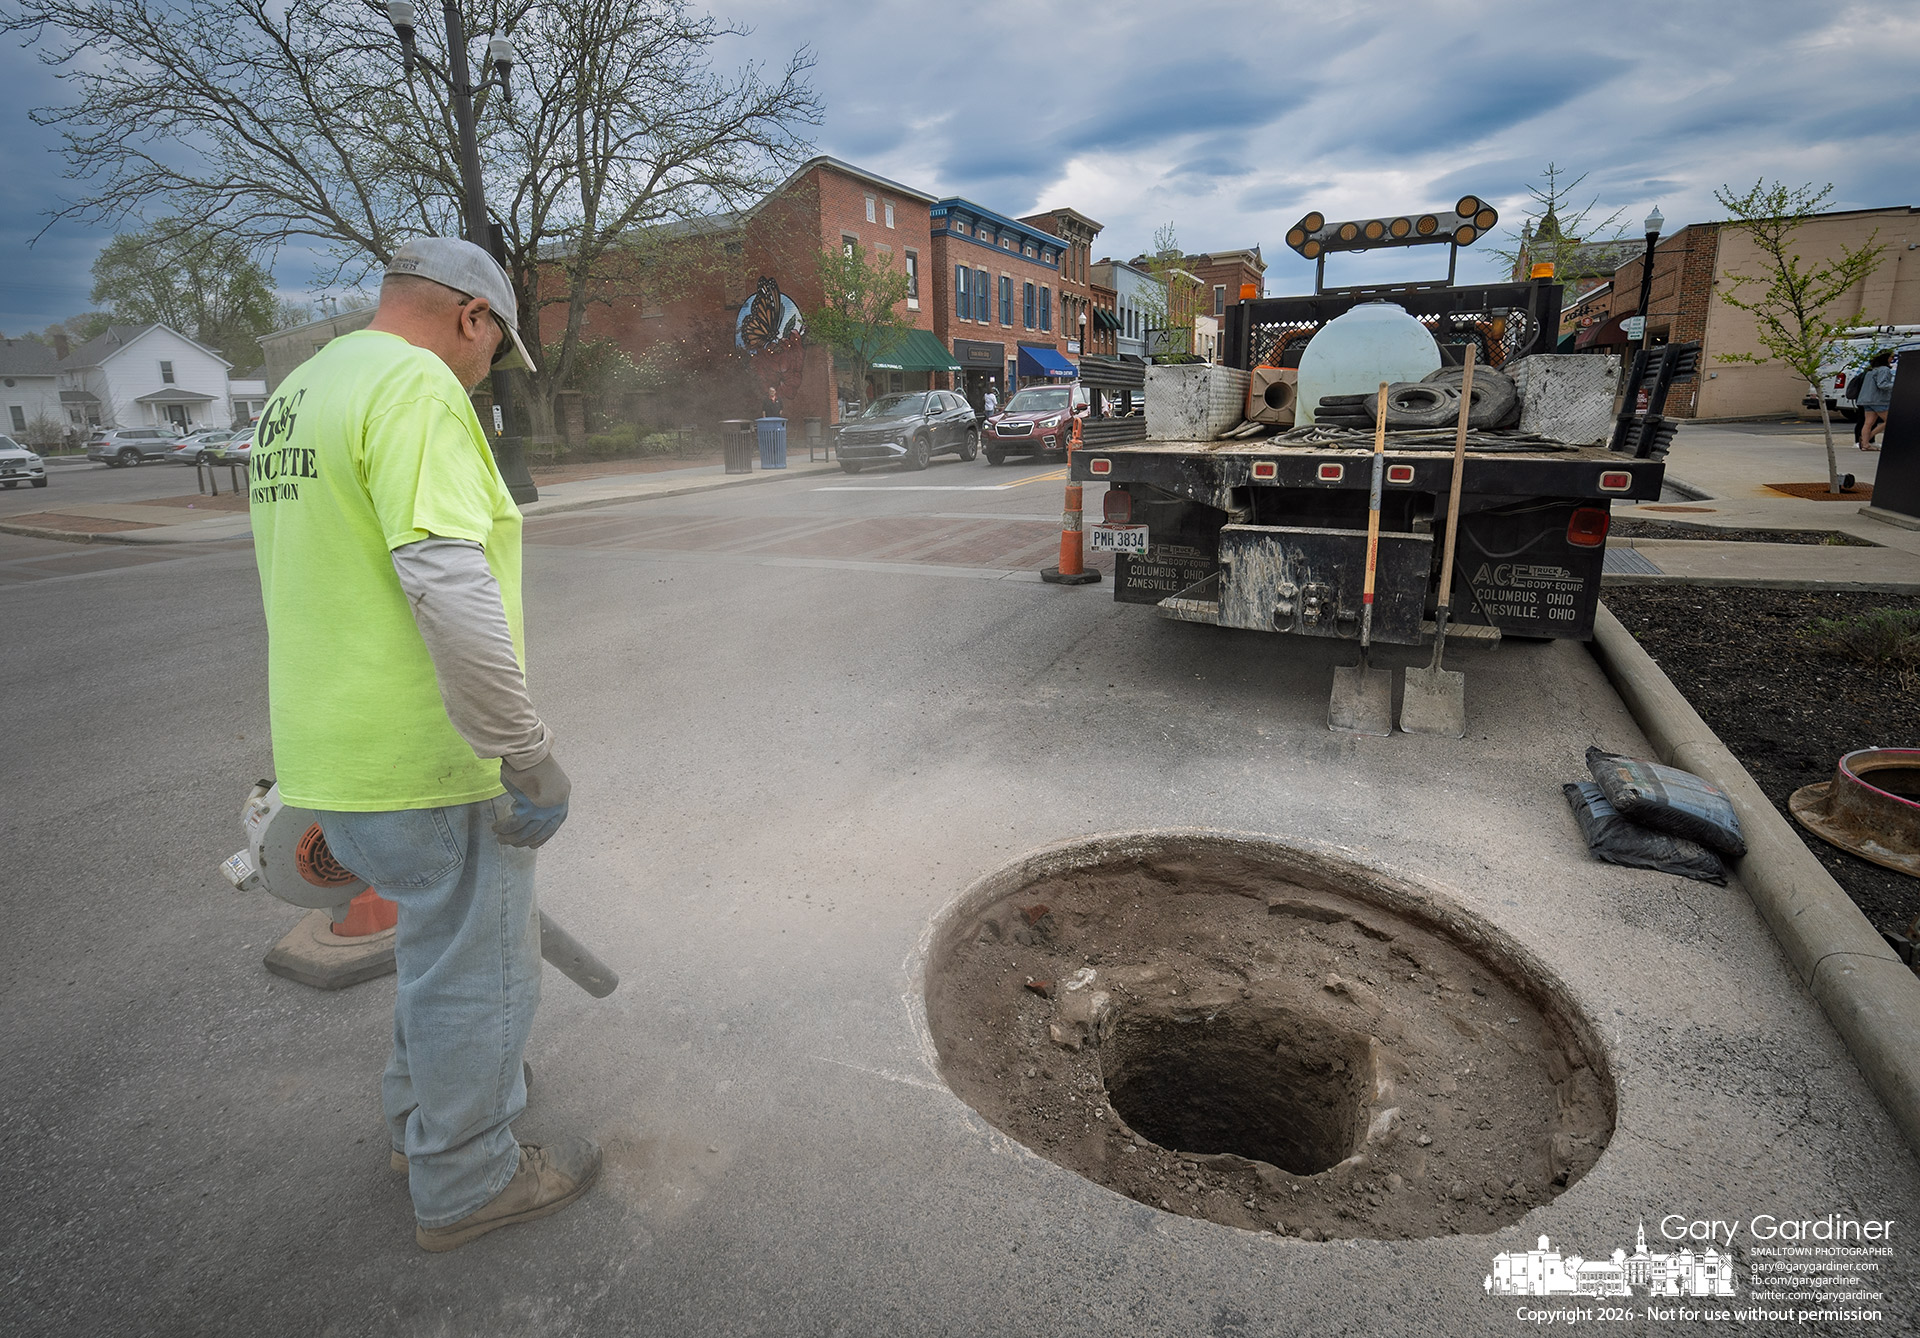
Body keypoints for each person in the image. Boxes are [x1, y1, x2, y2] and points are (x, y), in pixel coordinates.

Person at [249, 236, 599, 1253]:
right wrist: (525, 752)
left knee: (436, 955)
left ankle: (420, 1130)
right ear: (469, 315)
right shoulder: (415, 388)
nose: (488, 369)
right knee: (486, 972)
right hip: (428, 760)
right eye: (496, 346)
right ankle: (467, 1179)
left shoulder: (302, 394)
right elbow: (446, 583)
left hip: (333, 757)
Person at [1858, 350, 1895, 451]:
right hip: (1879, 399)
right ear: (1886, 358)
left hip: (1866, 399)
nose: (1893, 359)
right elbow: (1882, 384)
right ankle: (1870, 436)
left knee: (1868, 423)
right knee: (1890, 421)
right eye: (1892, 356)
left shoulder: (1871, 370)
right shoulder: (1884, 370)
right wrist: (1896, 384)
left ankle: (1865, 444)